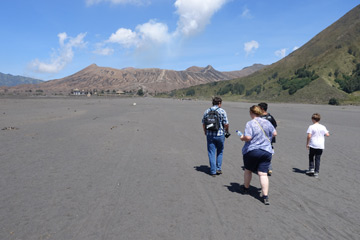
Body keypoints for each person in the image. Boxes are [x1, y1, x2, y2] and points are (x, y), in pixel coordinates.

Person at [239, 105, 277, 205]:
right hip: (266, 151)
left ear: (252, 113)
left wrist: (242, 137)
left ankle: (246, 188)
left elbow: (248, 137)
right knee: (263, 174)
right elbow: (275, 133)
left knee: (248, 170)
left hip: (253, 150)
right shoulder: (267, 122)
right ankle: (265, 196)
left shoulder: (250, 123)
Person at [202, 97, 229, 177]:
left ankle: (213, 171)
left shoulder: (207, 111)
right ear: (219, 103)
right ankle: (218, 168)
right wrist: (226, 131)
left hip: (210, 135)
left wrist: (205, 131)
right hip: (220, 134)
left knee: (211, 153)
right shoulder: (222, 111)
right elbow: (226, 123)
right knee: (220, 151)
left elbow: (203, 123)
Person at [306, 113, 330, 178]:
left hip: (313, 144)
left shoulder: (311, 127)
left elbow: (309, 136)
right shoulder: (323, 127)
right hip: (320, 144)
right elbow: (327, 134)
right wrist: (322, 134)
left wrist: (307, 143)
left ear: (313, 119)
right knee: (318, 158)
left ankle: (311, 168)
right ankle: (316, 172)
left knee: (311, 156)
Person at [258, 102, 277, 175]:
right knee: (268, 152)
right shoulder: (270, 117)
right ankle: (268, 167)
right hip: (270, 138)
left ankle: (267, 167)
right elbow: (274, 126)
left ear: (262, 109)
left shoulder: (259, 118)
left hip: (261, 139)